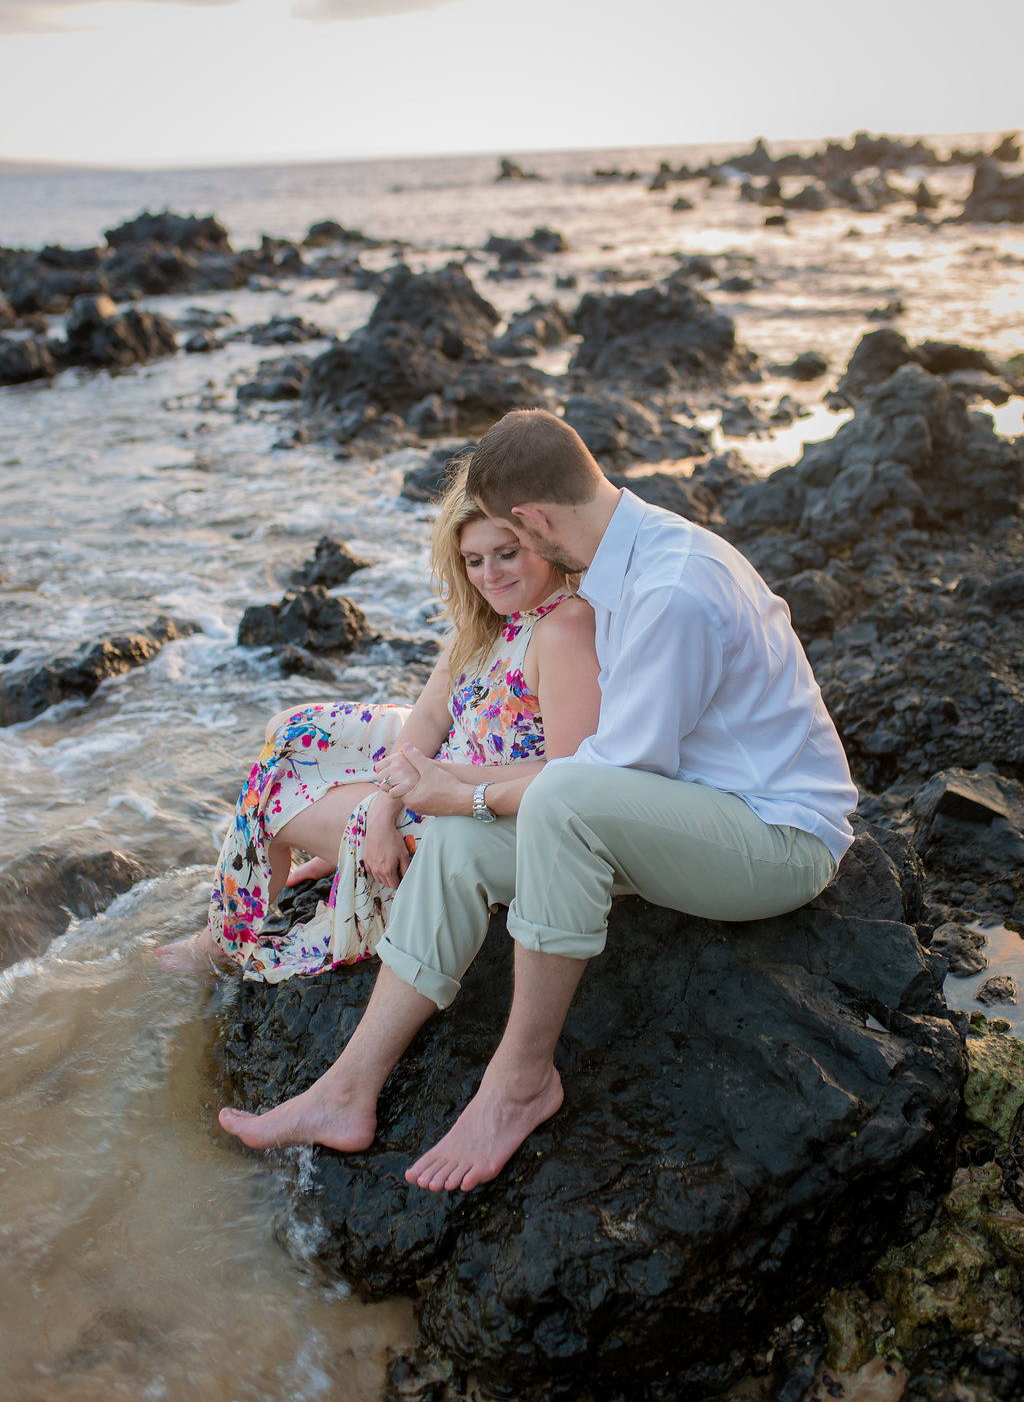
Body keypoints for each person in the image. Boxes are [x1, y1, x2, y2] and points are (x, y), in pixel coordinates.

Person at [218, 410, 858, 1193]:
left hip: (776, 840)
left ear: (531, 519)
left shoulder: (670, 588)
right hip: (685, 816)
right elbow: (598, 771)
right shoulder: (637, 551)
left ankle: (521, 1081)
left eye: (511, 541)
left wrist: (465, 790)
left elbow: (610, 775)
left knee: (555, 802)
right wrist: (455, 805)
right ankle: (346, 1090)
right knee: (455, 846)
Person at [156, 461, 601, 979]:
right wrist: (382, 804)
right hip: (448, 757)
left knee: (272, 801)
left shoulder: (563, 630)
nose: (490, 575)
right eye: (474, 560)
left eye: (507, 554)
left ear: (539, 537)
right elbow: (435, 709)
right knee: (288, 732)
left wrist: (404, 798)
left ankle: (222, 943)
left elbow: (570, 777)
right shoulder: (488, 616)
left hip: (477, 804)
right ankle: (324, 853)